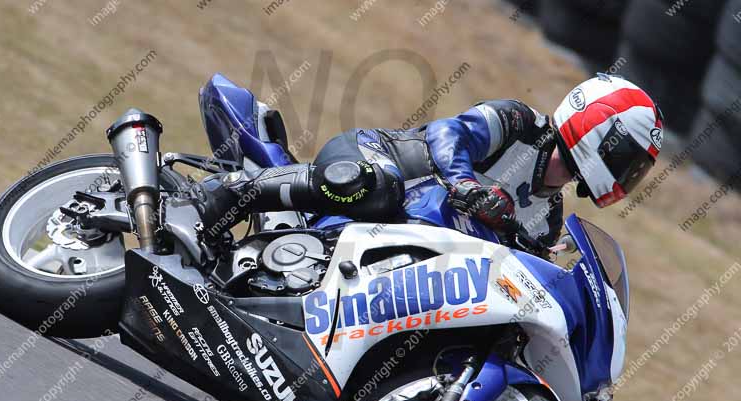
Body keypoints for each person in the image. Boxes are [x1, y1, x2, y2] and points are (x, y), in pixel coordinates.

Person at [192, 74, 664, 251]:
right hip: (377, 161)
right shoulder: (520, 123)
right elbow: (447, 133)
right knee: (378, 186)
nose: (627, 174)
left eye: (636, 170)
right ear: (597, 128)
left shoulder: (547, 221)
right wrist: (465, 183)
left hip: (401, 243)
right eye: (628, 159)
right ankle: (234, 190)